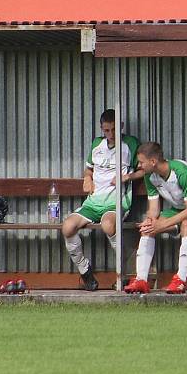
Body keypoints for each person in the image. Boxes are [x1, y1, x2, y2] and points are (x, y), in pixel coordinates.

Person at [124, 142, 187, 294]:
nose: (139, 166)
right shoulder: (149, 175)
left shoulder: (182, 172)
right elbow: (154, 209)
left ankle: (179, 282)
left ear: (153, 162)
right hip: (180, 209)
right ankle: (141, 280)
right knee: (147, 229)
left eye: (141, 162)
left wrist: (162, 225)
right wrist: (150, 220)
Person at [61, 109, 142, 291]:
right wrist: (87, 178)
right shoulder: (97, 144)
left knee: (108, 225)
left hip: (117, 202)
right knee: (67, 227)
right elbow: (88, 170)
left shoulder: (131, 143)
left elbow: (145, 169)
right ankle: (85, 271)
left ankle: (123, 275)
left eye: (114, 130)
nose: (111, 134)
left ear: (121, 126)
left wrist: (128, 177)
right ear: (101, 129)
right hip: (93, 202)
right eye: (107, 130)